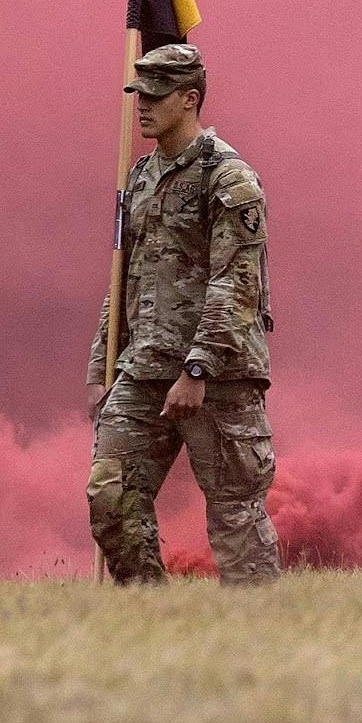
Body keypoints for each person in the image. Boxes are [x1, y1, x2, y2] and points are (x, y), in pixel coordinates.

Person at [87, 43, 280, 585]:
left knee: (235, 514)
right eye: (137, 94)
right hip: (144, 365)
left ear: (190, 99)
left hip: (218, 374)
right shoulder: (141, 176)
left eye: (155, 94)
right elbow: (122, 278)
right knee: (110, 493)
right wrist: (103, 363)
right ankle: (151, 620)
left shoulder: (229, 178)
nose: (141, 105)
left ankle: (261, 638)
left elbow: (237, 283)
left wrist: (197, 369)